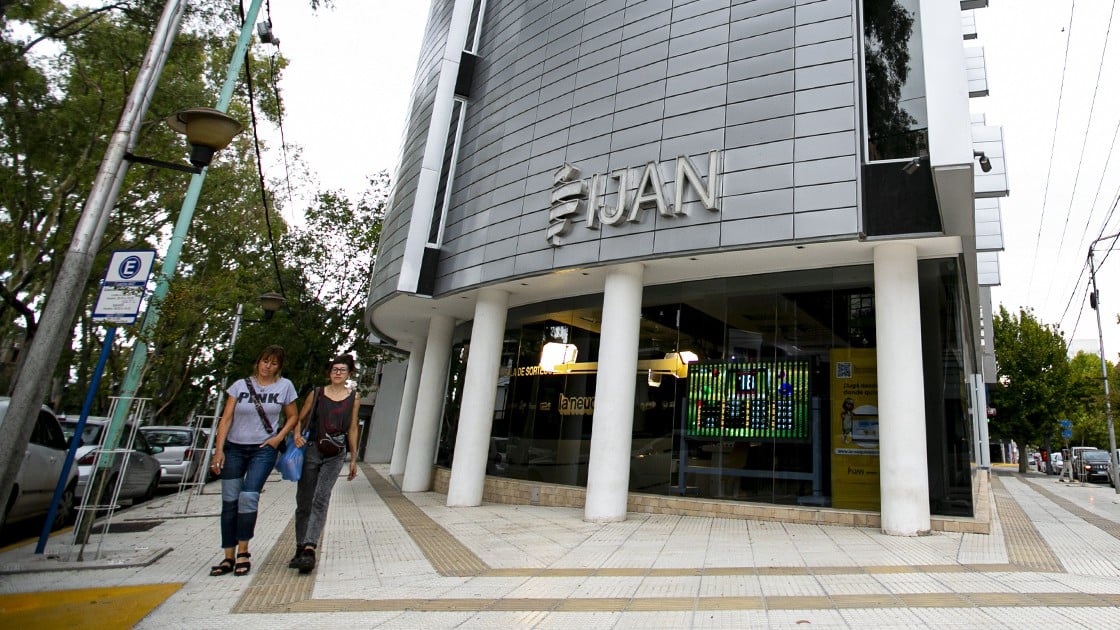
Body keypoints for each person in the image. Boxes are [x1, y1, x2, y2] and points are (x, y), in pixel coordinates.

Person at [208, 345, 299, 577]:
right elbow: (226, 419)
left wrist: (278, 438)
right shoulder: (240, 386)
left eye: (273, 363)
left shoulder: (285, 386)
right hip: (235, 447)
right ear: (258, 362)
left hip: (263, 449)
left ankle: (243, 552)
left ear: (279, 367)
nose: (268, 366)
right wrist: (219, 450)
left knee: (248, 496)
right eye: (265, 361)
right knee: (230, 500)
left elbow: (293, 416)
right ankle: (228, 555)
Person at [289, 354, 360, 574]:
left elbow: (352, 427)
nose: (338, 373)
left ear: (349, 374)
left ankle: (310, 547)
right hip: (312, 449)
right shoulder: (317, 393)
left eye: (342, 370)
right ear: (329, 373)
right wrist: (297, 435)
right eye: (334, 369)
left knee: (321, 497)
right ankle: (300, 545)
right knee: (304, 500)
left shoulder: (354, 397)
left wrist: (353, 458)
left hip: (336, 453)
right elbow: (300, 418)